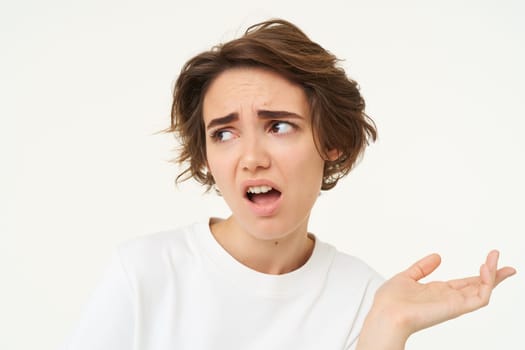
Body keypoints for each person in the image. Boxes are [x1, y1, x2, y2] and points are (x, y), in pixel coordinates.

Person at [62, 19, 516, 350]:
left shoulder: (366, 299)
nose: (252, 159)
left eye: (278, 126)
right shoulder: (144, 274)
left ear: (332, 141)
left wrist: (388, 327)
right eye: (224, 133)